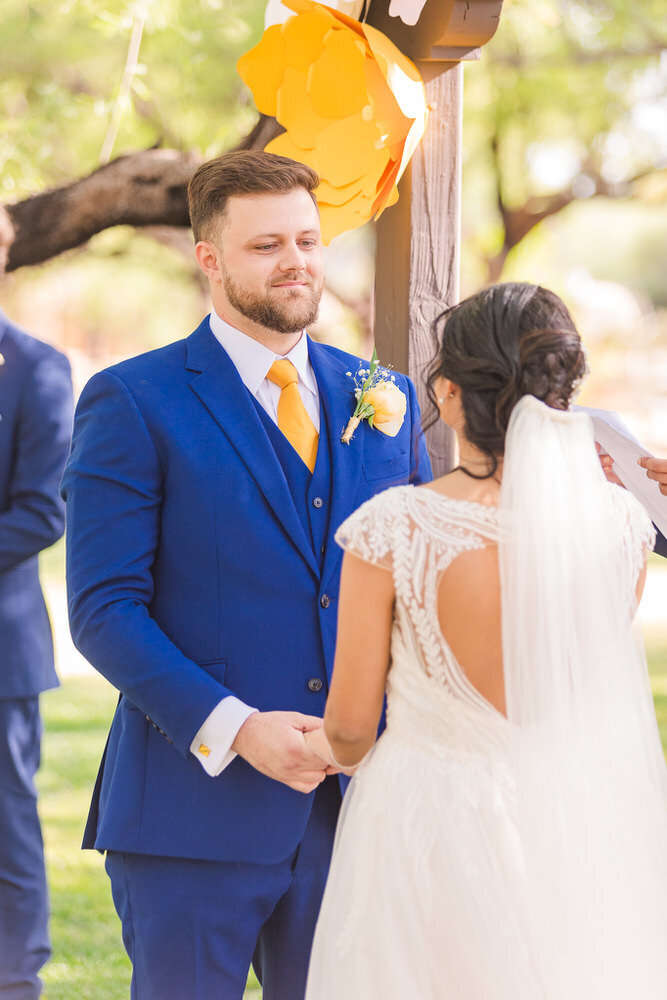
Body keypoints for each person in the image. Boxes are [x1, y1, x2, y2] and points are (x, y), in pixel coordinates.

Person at [61, 150, 430, 1000]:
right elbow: (104, 610)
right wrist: (236, 728)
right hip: (189, 817)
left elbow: (418, 582)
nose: (297, 261)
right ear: (210, 258)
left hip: (355, 811)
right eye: (267, 245)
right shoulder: (133, 399)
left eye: (308, 239)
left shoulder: (384, 397)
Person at [305, 282, 667, 999]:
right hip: (566, 816)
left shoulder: (394, 526)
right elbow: (567, 668)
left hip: (423, 820)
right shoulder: (624, 526)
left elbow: (348, 728)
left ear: (446, 392)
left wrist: (313, 750)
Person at [0, 309, 73, 999]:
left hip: (2, 648)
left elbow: (42, 511)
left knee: (5, 823)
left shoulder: (37, 368)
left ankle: (15, 979)